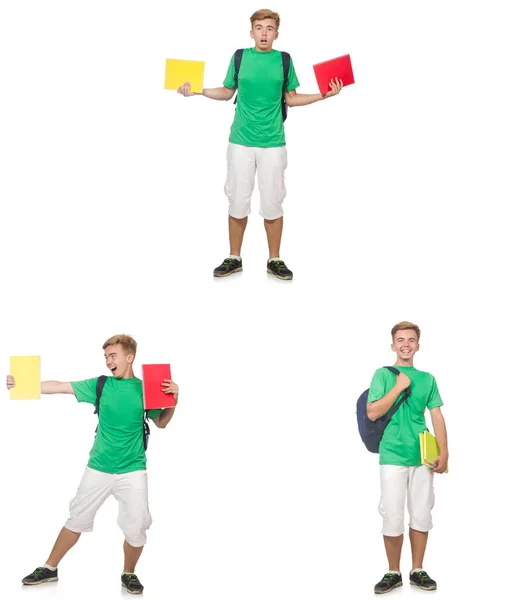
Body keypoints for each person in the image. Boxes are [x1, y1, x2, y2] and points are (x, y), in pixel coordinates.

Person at [6, 334, 179, 595]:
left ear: (129, 357)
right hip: (98, 467)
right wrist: (23, 383)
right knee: (77, 517)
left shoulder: (145, 389)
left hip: (133, 470)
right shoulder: (100, 385)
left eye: (113, 356)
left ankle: (129, 574)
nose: (108, 361)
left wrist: (175, 399)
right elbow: (61, 386)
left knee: (137, 524)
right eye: (106, 357)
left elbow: (162, 422)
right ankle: (50, 568)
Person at [177, 8, 343, 280]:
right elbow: (226, 91)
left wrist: (323, 96)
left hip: (273, 143)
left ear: (276, 34)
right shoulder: (240, 57)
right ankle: (234, 258)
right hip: (240, 142)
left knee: (273, 202)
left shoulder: (284, 60)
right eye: (258, 27)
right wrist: (196, 90)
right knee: (237, 200)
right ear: (251, 31)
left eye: (268, 28)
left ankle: (274, 260)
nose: (263, 33)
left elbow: (291, 98)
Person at [366, 322, 448, 594]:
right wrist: (399, 385)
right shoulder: (383, 375)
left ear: (417, 346)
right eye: (400, 339)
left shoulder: (428, 379)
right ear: (392, 345)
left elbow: (436, 415)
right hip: (392, 454)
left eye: (411, 340)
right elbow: (373, 412)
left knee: (422, 513)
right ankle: (392, 572)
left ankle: (417, 570)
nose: (405, 344)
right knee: (391, 514)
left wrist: (444, 452)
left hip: (423, 455)